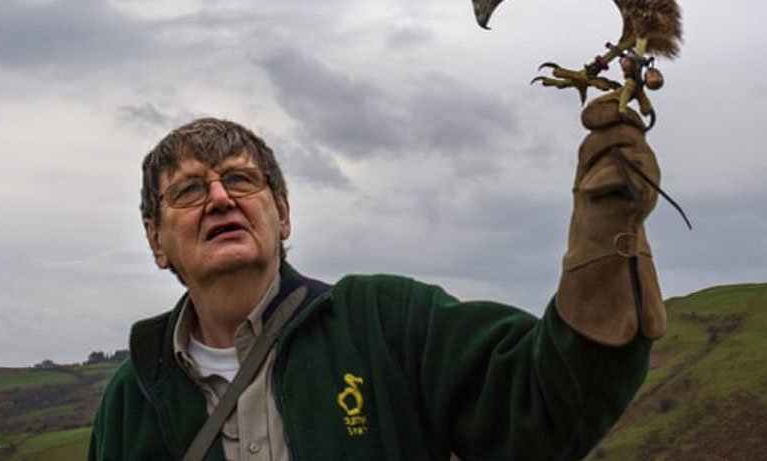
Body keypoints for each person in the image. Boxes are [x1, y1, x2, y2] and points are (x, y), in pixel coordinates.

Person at [88, 96, 666, 460]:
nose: (219, 198)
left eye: (241, 180)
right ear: (156, 240)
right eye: (189, 190)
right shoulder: (133, 397)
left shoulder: (383, 323)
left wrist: (605, 244)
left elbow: (540, 406)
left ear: (282, 214)